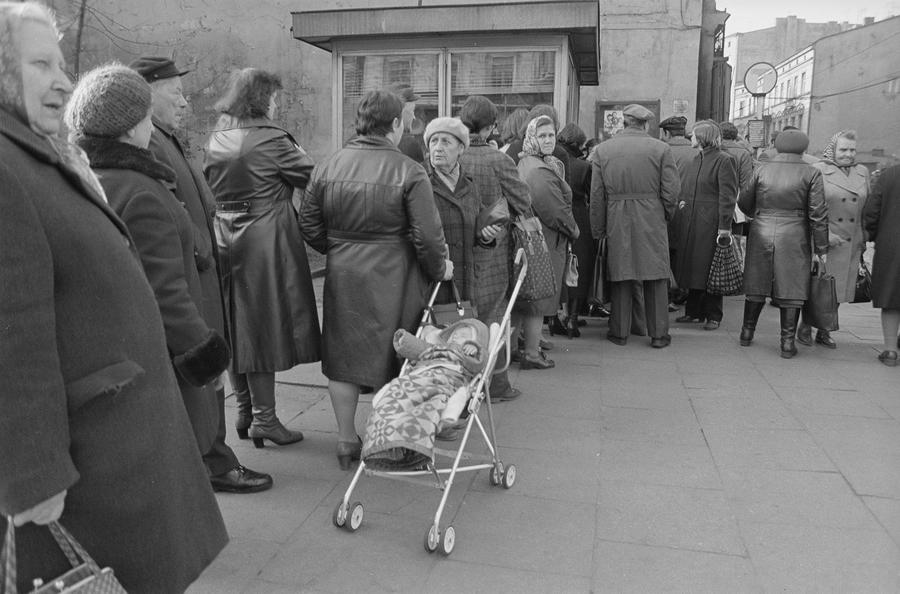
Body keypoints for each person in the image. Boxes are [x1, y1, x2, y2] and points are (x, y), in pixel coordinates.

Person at [0, 4, 226, 592]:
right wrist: (32, 473)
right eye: (41, 63)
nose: (62, 81)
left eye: (60, 62)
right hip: (85, 461)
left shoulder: (38, 152)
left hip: (117, 435)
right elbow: (11, 326)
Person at [65, 64, 273, 495]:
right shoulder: (139, 189)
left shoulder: (90, 175)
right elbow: (165, 292)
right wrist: (207, 355)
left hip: (118, 351)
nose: (182, 103)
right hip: (161, 350)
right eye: (148, 111)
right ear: (130, 125)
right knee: (171, 457)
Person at [131, 56, 270, 491]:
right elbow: (167, 207)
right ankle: (213, 464)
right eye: (176, 92)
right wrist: (201, 249)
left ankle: (213, 456)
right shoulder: (150, 140)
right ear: (148, 92)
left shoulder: (165, 137)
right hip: (193, 273)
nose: (184, 101)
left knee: (210, 363)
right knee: (202, 365)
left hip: (204, 269)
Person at [299, 90, 452, 469]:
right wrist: (439, 269)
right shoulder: (408, 170)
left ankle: (345, 439)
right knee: (396, 354)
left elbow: (308, 223)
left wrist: (340, 247)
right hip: (395, 275)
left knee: (342, 356)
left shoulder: (328, 164)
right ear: (395, 124)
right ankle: (390, 439)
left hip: (344, 272)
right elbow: (428, 237)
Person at [202, 68, 321, 448]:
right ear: (260, 99)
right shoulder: (273, 141)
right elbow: (314, 179)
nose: (276, 102)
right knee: (262, 327)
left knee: (236, 324)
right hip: (264, 240)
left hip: (224, 235)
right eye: (273, 96)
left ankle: (245, 412)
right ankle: (265, 420)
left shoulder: (217, 138)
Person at [458, 95, 531, 400]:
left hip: (457, 248)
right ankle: (497, 385)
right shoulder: (499, 160)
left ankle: (459, 383)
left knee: (460, 317)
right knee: (494, 316)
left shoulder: (451, 155)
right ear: (490, 127)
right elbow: (523, 201)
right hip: (492, 248)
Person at [590, 104, 680, 348]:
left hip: (617, 215)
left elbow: (597, 194)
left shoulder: (603, 150)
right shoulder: (661, 149)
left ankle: (619, 332)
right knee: (656, 275)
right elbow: (671, 191)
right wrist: (665, 215)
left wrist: (598, 228)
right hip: (652, 214)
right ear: (646, 124)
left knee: (621, 272)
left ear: (624, 123)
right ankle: (659, 334)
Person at [738, 129, 828, 358]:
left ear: (777, 146)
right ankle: (787, 343)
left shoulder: (762, 169)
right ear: (804, 148)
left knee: (757, 284)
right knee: (791, 288)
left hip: (762, 229)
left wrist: (759, 214)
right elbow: (818, 214)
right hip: (795, 233)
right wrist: (821, 248)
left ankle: (747, 333)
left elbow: (744, 202)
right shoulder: (812, 173)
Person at [516, 115, 580, 368]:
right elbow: (553, 209)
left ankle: (522, 347)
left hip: (538, 237)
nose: (548, 140)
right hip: (544, 239)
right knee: (538, 299)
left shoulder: (536, 163)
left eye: (551, 135)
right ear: (532, 137)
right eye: (542, 135)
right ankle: (531, 353)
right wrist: (574, 230)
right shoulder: (538, 169)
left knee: (531, 298)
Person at [798, 130, 870, 349]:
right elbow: (806, 207)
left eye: (852, 150)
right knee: (819, 285)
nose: (848, 154)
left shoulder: (862, 171)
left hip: (851, 240)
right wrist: (824, 235)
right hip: (825, 239)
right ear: (833, 149)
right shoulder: (818, 170)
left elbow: (867, 207)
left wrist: (864, 236)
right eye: (843, 149)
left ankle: (825, 329)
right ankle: (806, 326)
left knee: (839, 287)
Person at [673, 120, 738, 331]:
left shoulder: (724, 160)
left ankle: (713, 315)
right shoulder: (696, 159)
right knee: (693, 267)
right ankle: (693, 312)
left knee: (711, 268)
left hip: (710, 223)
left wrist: (724, 227)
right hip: (691, 219)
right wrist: (683, 200)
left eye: (693, 134)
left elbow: (727, 197)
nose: (690, 138)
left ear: (702, 137)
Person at [557, 122, 595, 336]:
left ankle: (556, 317)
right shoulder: (584, 167)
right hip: (579, 216)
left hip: (557, 216)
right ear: (579, 144)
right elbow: (593, 196)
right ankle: (572, 318)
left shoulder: (553, 162)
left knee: (559, 264)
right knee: (579, 267)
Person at [864, 164, 900, 366]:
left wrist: (872, 233)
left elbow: (872, 211)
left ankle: (890, 350)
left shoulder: (889, 175)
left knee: (892, 299)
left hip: (893, 245)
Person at [659, 115, 696, 309]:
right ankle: (685, 293)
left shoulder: (662, 150)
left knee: (666, 253)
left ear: (666, 132)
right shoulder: (696, 151)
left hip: (667, 208)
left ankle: (670, 293)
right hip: (692, 209)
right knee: (686, 253)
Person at [720, 121, 754, 260]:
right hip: (737, 204)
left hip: (718, 201)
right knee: (736, 241)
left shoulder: (716, 150)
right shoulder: (743, 153)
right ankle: (735, 268)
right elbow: (747, 183)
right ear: (735, 136)